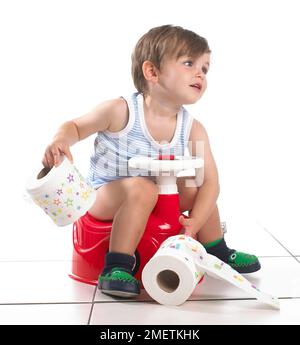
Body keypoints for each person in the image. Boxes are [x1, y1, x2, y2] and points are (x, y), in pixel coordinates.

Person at [42, 25, 260, 298]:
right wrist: (61, 140)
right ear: (152, 72)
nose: (200, 74)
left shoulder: (192, 128)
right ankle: (118, 265)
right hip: (105, 196)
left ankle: (216, 250)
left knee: (195, 189)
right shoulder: (120, 111)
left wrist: (195, 223)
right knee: (144, 188)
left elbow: (212, 182)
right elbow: (75, 126)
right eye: (189, 63)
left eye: (205, 68)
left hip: (159, 195)